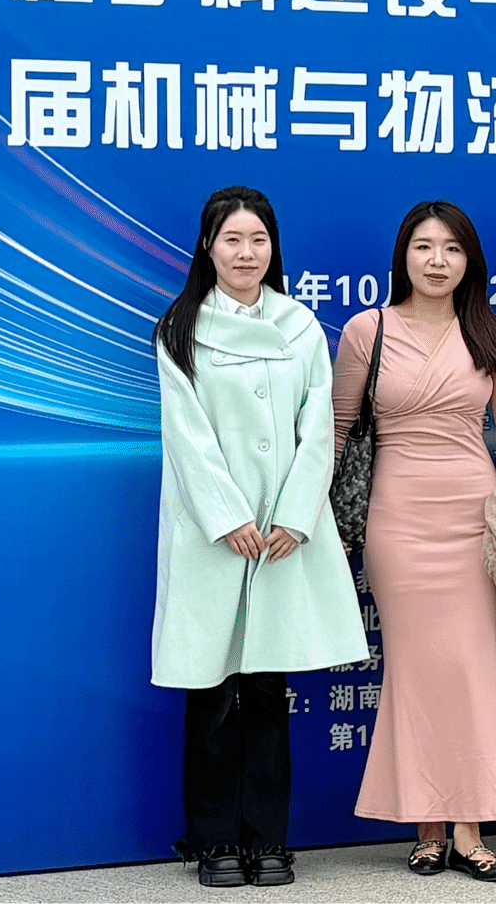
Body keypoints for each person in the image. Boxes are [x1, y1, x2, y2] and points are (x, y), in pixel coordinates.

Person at [151, 186, 369, 888]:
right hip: (215, 534)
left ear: (274, 248)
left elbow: (318, 429)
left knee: (270, 689)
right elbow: (186, 436)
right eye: (232, 240)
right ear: (208, 247)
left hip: (279, 534)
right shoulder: (181, 328)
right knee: (212, 690)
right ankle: (213, 839)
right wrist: (228, 516)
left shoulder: (300, 325)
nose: (246, 253)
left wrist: (295, 515)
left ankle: (268, 839)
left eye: (258, 240)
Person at [333, 200, 496, 882]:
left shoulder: (490, 333)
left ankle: (472, 830)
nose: (437, 260)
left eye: (452, 249)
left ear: (469, 261)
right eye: (424, 247)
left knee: (472, 669)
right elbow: (338, 430)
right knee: (417, 671)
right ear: (403, 256)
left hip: (475, 521)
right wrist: (313, 515)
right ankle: (427, 829)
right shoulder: (368, 331)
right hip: (396, 521)